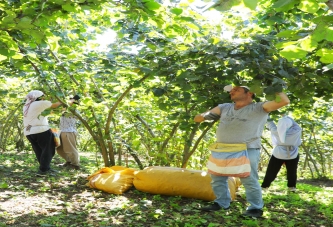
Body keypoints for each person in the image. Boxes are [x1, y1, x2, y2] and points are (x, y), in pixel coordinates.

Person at [194, 85, 290, 218]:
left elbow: (284, 101)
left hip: (246, 149)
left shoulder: (259, 107)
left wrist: (273, 86)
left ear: (250, 93)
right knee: (217, 178)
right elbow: (198, 118)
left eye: (237, 90)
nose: (232, 91)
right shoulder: (224, 107)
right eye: (231, 90)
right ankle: (221, 203)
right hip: (222, 149)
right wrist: (205, 116)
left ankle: (255, 209)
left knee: (249, 179)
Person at [23, 90, 63, 176]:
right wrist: (69, 100)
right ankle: (44, 169)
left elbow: (46, 113)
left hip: (29, 131)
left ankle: (44, 167)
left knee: (39, 150)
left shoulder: (27, 105)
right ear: (39, 97)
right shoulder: (39, 104)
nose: (44, 98)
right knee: (48, 149)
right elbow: (55, 105)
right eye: (42, 96)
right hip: (40, 130)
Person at [261, 114, 302, 192]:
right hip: (293, 153)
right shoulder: (297, 130)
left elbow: (269, 123)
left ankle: (264, 186)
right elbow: (294, 123)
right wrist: (285, 116)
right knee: (292, 171)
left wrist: (267, 114)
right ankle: (292, 187)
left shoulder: (276, 131)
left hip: (278, 154)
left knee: (271, 171)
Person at [56, 95, 81, 170]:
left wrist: (72, 101)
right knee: (59, 149)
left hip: (69, 132)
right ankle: (69, 161)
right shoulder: (66, 109)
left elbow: (68, 112)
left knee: (70, 149)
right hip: (62, 131)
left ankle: (75, 164)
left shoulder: (74, 110)